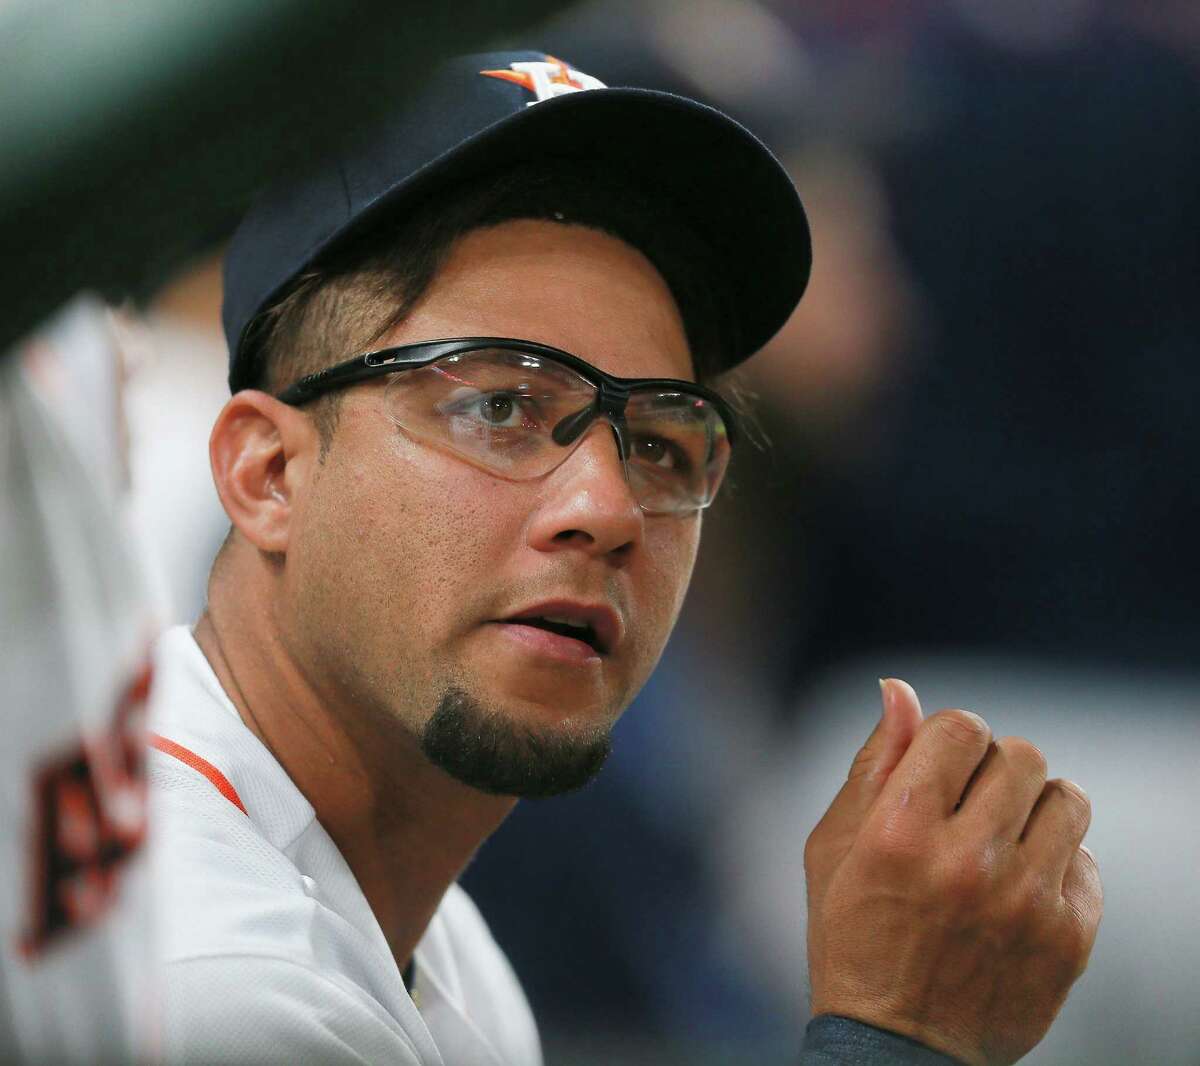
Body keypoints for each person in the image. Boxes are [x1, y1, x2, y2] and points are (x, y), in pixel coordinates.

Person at [148, 51, 1102, 1064]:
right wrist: (902, 1037)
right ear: (267, 475)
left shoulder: (425, 930)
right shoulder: (209, 976)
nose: (606, 509)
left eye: (658, 438)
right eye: (500, 406)